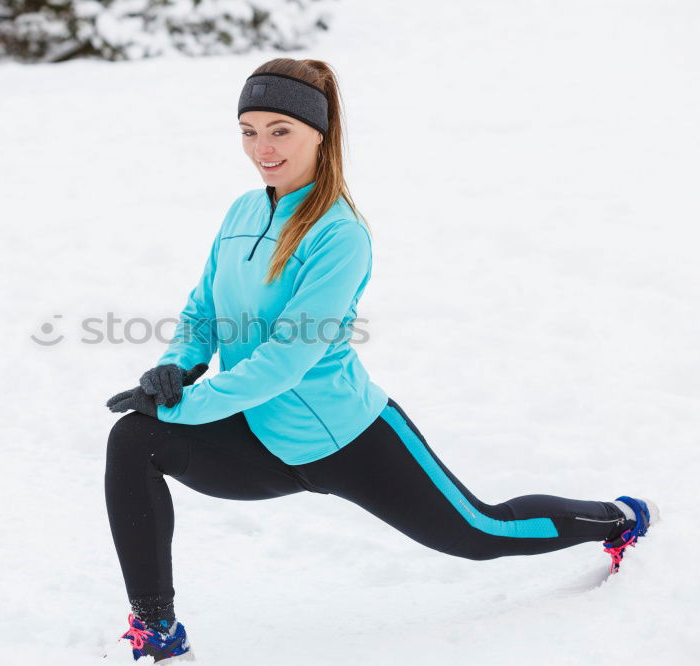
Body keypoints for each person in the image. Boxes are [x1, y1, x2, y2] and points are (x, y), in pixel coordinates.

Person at [103, 58, 658, 664]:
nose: (261, 146)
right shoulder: (241, 212)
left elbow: (286, 359)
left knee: (480, 533)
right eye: (248, 129)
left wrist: (192, 404)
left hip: (346, 437)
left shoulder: (340, 234)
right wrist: (175, 369)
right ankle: (156, 629)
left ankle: (618, 520)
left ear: (319, 132)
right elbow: (204, 310)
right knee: (133, 438)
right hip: (258, 443)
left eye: (280, 129)